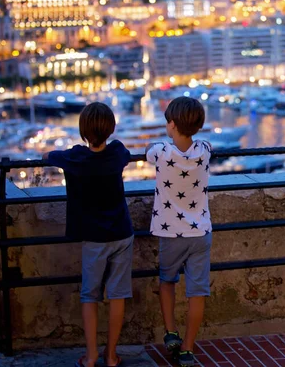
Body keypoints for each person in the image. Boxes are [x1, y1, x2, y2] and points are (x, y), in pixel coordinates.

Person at [44, 102, 133, 367]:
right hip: (122, 232)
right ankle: (112, 355)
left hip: (94, 237)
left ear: (83, 130)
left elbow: (51, 156)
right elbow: (124, 153)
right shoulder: (117, 153)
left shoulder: (75, 158)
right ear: (111, 128)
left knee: (89, 295)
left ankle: (91, 356)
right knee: (117, 295)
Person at [146, 96, 212, 367]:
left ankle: (171, 331)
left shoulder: (161, 151)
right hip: (201, 233)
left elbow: (150, 152)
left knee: (167, 281)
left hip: (170, 231)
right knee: (197, 292)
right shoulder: (205, 149)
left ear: (172, 124)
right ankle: (187, 347)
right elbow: (205, 145)